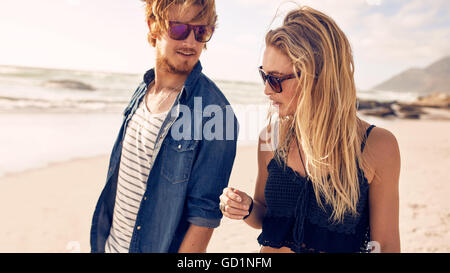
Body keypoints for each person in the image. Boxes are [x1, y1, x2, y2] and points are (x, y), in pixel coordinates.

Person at [219, 6, 401, 253]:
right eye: (264, 76)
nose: (267, 90)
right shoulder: (270, 140)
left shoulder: (377, 146)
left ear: (316, 77)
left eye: (275, 79)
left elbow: (386, 245)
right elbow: (265, 215)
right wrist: (246, 207)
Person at [90, 0, 239, 253]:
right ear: (153, 26)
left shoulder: (217, 114)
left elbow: (204, 217)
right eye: (179, 29)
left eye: (201, 32)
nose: (191, 43)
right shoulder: (142, 90)